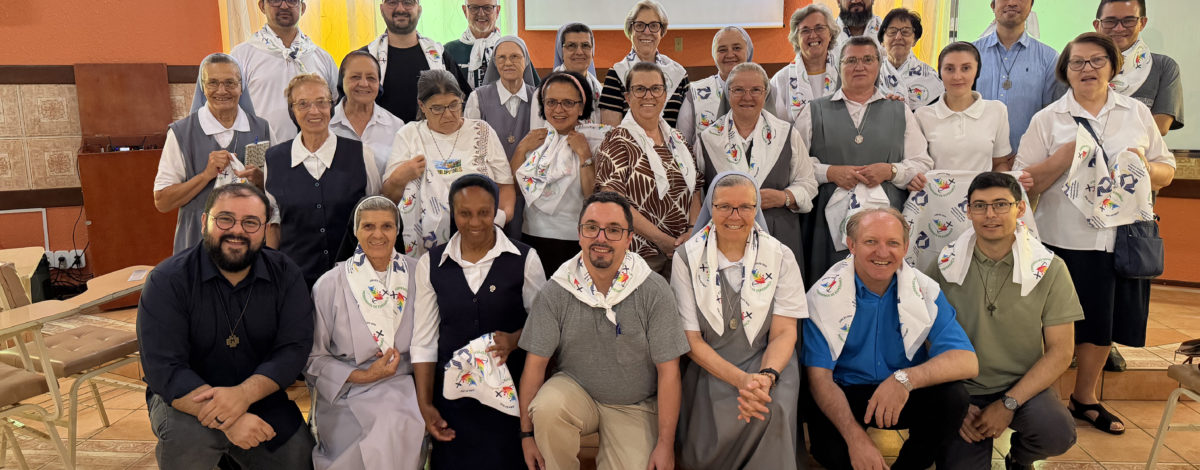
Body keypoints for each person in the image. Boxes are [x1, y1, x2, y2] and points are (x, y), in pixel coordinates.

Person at [1015, 32, 1176, 436]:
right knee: (1057, 326)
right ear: (1065, 71)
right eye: (1077, 62)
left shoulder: (1136, 113)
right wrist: (1063, 157)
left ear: (1113, 66)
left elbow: (1167, 171)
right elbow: (1025, 182)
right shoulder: (1048, 118)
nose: (1087, 69)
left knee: (1104, 324)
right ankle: (1045, 403)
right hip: (1063, 238)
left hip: (1120, 238)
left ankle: (1085, 397)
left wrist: (1142, 164)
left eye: (1096, 61)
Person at [137, 183, 314, 469]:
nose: (237, 231)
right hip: (186, 399)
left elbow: (293, 350)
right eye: (225, 219)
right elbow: (164, 368)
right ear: (205, 221)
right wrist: (228, 418)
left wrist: (243, 395)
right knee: (189, 444)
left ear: (264, 228)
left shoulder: (285, 274)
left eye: (250, 222)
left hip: (259, 395)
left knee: (298, 455)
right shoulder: (167, 280)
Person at [518, 191, 690, 470]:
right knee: (547, 408)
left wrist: (665, 444)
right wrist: (526, 435)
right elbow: (535, 366)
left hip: (634, 404)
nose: (601, 238)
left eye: (613, 230)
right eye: (592, 228)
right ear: (579, 234)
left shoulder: (653, 289)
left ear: (629, 238)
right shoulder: (557, 289)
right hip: (576, 392)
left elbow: (668, 372)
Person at [804, 208, 977, 470]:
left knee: (953, 398)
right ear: (851, 244)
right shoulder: (822, 296)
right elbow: (819, 380)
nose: (883, 253)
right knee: (833, 453)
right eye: (871, 241)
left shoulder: (925, 289)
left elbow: (967, 361)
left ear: (906, 246)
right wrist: (856, 439)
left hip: (902, 391)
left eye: (893, 243)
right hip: (845, 391)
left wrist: (905, 379)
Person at [929, 173, 1082, 470]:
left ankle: (1020, 459)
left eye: (1000, 204)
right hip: (960, 387)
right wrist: (953, 405)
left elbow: (1062, 351)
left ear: (1020, 209)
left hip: (1022, 387)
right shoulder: (944, 266)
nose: (990, 215)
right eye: (980, 206)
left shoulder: (1050, 269)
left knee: (1056, 432)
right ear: (968, 211)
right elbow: (924, 339)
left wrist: (1008, 403)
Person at [671, 172, 808, 470]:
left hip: (768, 363)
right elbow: (691, 342)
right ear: (711, 208)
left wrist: (765, 378)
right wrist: (742, 381)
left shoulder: (780, 256)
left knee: (772, 407)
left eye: (745, 207)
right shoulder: (686, 258)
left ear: (756, 208)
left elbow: (785, 333)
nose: (735, 216)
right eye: (724, 207)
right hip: (712, 364)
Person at [411, 175, 546, 470]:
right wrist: (425, 403)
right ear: (453, 212)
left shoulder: (525, 259)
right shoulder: (430, 264)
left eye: (484, 212)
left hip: (510, 396)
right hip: (453, 398)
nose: (475, 222)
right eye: (465, 213)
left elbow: (546, 328)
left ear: (496, 211)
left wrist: (514, 340)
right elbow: (423, 342)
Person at [795, 36, 933, 285]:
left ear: (879, 65)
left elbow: (922, 162)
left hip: (886, 217)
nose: (859, 66)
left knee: (883, 283)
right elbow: (796, 165)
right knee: (829, 286)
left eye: (868, 59)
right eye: (851, 60)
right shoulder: (814, 110)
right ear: (839, 67)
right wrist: (829, 172)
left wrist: (890, 170)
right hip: (825, 223)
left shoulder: (898, 110)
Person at [306, 196, 424, 470]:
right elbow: (314, 357)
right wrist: (364, 376)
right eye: (368, 226)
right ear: (355, 231)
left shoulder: (420, 275)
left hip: (403, 384)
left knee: (393, 419)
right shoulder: (329, 285)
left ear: (398, 231)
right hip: (346, 388)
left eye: (387, 226)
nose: (378, 234)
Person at [265, 73, 382, 287]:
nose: (314, 111)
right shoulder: (274, 159)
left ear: (332, 105)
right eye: (303, 104)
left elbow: (374, 210)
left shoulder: (360, 153)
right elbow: (274, 225)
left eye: (321, 102)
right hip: (295, 280)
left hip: (354, 278)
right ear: (292, 110)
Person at [695, 62, 818, 267]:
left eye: (755, 90)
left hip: (779, 234)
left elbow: (808, 182)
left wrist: (784, 197)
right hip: (726, 237)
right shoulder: (708, 139)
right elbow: (698, 193)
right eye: (738, 90)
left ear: (766, 93)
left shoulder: (786, 133)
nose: (747, 97)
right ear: (728, 93)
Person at [382, 70, 516, 256]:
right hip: (427, 246)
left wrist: (499, 219)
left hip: (483, 232)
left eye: (454, 105)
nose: (448, 115)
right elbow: (387, 197)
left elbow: (505, 186)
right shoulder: (410, 135)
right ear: (422, 105)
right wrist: (401, 176)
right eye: (437, 108)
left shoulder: (481, 131)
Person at [156, 53, 275, 255]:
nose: (222, 90)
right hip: (197, 244)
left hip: (249, 242)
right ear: (203, 87)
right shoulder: (181, 133)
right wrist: (205, 176)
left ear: (241, 86)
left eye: (230, 83)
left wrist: (260, 181)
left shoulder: (262, 129)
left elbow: (279, 193)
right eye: (213, 83)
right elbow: (162, 201)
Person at [594, 61, 702, 277]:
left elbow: (696, 190)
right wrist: (663, 241)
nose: (648, 96)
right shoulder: (617, 141)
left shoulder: (678, 139)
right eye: (639, 89)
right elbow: (614, 202)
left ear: (664, 95)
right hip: (637, 255)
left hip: (682, 250)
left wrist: (691, 231)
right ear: (627, 97)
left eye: (655, 89)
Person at [513, 71, 610, 274]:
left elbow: (592, 196)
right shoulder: (535, 140)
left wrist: (584, 155)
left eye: (568, 102)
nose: (558, 109)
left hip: (574, 239)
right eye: (551, 102)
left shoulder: (595, 141)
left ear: (581, 106)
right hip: (532, 235)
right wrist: (521, 149)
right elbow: (515, 189)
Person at [231, 0, 337, 144]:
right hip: (262, 151)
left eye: (292, 1)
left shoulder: (322, 57)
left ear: (303, 8)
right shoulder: (242, 55)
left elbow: (335, 107)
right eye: (275, 0)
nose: (284, 6)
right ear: (262, 6)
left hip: (315, 151)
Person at [362, 0, 473, 122]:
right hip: (379, 139)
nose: (400, 9)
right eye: (392, 2)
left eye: (408, 2)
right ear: (382, 9)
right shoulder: (365, 59)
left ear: (419, 10)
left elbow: (464, 103)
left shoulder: (440, 56)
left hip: (433, 139)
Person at [973, 0, 1058, 153]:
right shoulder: (971, 54)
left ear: (1031, 6)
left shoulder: (1049, 58)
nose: (1012, 3)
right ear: (993, 5)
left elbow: (1051, 116)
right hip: (977, 158)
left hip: (1027, 161)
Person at [915, 42, 1012, 172]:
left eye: (966, 68)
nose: (957, 76)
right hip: (938, 191)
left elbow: (1000, 163)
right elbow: (918, 166)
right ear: (940, 72)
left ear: (977, 71)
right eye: (949, 69)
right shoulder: (922, 115)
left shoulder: (997, 110)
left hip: (982, 191)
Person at [1093, 0, 1184, 136]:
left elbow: (1160, 126)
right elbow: (1064, 122)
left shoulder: (1164, 67)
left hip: (1139, 155)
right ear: (1097, 25)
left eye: (1129, 20)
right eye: (1110, 21)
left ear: (1142, 23)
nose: (1119, 28)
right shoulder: (1078, 66)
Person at [597, 0, 690, 128]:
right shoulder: (616, 74)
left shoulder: (679, 74)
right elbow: (611, 133)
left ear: (661, 31)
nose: (647, 32)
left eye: (653, 25)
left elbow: (687, 130)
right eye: (639, 25)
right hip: (628, 147)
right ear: (630, 30)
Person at [329, 51, 405, 176]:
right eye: (355, 77)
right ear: (342, 81)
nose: (364, 83)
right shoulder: (326, 124)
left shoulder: (396, 126)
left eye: (371, 78)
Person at [465, 35, 540, 158]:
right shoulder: (477, 99)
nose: (508, 63)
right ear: (494, 62)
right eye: (501, 58)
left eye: (514, 57)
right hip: (490, 174)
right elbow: (471, 145)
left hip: (528, 174)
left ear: (526, 61)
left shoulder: (538, 98)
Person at [677, 26, 754, 144]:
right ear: (714, 55)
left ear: (748, 51)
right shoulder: (694, 93)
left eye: (737, 48)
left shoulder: (765, 91)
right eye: (722, 50)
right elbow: (682, 144)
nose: (730, 54)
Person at [770, 4, 840, 123]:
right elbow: (775, 127)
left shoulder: (844, 74)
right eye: (805, 30)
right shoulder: (780, 80)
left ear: (830, 34)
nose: (813, 35)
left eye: (819, 28)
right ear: (796, 38)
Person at [530, 23, 603, 130]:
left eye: (585, 45)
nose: (579, 52)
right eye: (571, 46)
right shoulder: (545, 91)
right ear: (561, 51)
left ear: (593, 51)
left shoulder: (598, 89)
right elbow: (537, 137)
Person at [878, 8, 944, 110]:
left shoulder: (929, 76)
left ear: (914, 40)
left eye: (905, 32)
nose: (898, 37)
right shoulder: (871, 74)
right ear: (882, 40)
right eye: (892, 31)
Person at [444, 0, 503, 91]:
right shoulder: (448, 51)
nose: (481, 13)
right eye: (474, 8)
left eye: (487, 8)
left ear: (497, 11)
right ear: (465, 11)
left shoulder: (511, 48)